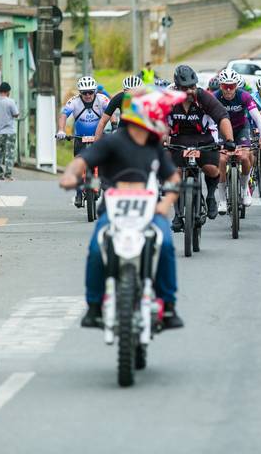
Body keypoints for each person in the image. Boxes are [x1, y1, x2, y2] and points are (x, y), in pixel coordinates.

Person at [59, 86, 185, 330]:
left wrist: (165, 203)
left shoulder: (154, 146)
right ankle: (94, 306)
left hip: (149, 211)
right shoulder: (113, 142)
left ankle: (168, 305)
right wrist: (70, 174)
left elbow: (173, 178)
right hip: (114, 210)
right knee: (96, 249)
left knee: (166, 245)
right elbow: (82, 161)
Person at [167, 64, 234, 229]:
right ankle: (177, 214)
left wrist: (229, 139)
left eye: (192, 87)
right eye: (185, 88)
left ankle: (210, 196)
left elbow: (222, 117)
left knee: (211, 169)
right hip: (178, 140)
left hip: (203, 139)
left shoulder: (203, 97)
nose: (190, 91)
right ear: (177, 87)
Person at [214, 69, 261, 210]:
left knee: (245, 157)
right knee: (221, 160)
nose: (228, 89)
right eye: (225, 86)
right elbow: (209, 120)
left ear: (236, 86)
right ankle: (222, 200)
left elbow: (257, 118)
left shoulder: (244, 96)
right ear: (220, 86)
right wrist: (212, 140)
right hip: (222, 131)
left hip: (241, 129)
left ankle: (245, 190)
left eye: (231, 86)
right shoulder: (215, 97)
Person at [56, 76, 111, 207]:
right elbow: (63, 115)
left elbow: (112, 113)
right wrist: (61, 130)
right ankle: (79, 193)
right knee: (78, 165)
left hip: (98, 136)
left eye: (90, 92)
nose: (87, 95)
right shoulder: (74, 101)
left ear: (95, 91)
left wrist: (114, 126)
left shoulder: (102, 99)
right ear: (80, 93)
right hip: (80, 138)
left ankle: (102, 183)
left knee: (104, 161)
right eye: (84, 93)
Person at [93, 75, 143, 140]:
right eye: (128, 92)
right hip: (123, 131)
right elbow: (103, 121)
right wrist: (96, 143)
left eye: (135, 92)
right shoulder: (119, 98)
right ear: (124, 91)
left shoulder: (147, 99)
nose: (131, 95)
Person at [0, 82, 21, 181]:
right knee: (9, 154)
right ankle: (8, 175)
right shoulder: (10, 101)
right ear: (8, 91)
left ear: (0, 90)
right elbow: (16, 114)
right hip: (9, 132)